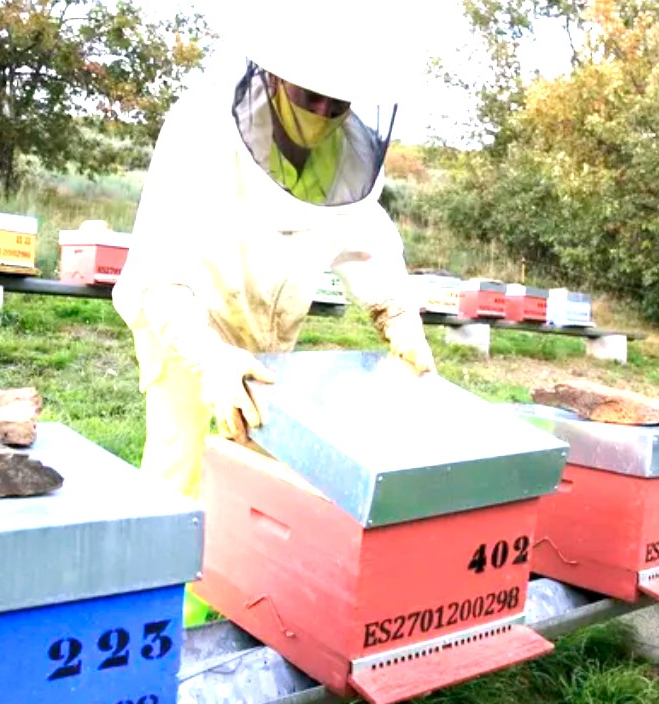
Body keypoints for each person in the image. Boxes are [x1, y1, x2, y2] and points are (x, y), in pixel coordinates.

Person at [111, 3, 435, 625]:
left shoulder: (346, 148)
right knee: (180, 474)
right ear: (275, 77)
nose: (322, 116)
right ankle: (154, 634)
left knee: (257, 479)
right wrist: (208, 356)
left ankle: (242, 616)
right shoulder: (199, 130)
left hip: (268, 331)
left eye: (336, 105)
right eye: (311, 98)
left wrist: (398, 314)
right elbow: (157, 268)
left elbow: (366, 232)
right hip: (183, 314)